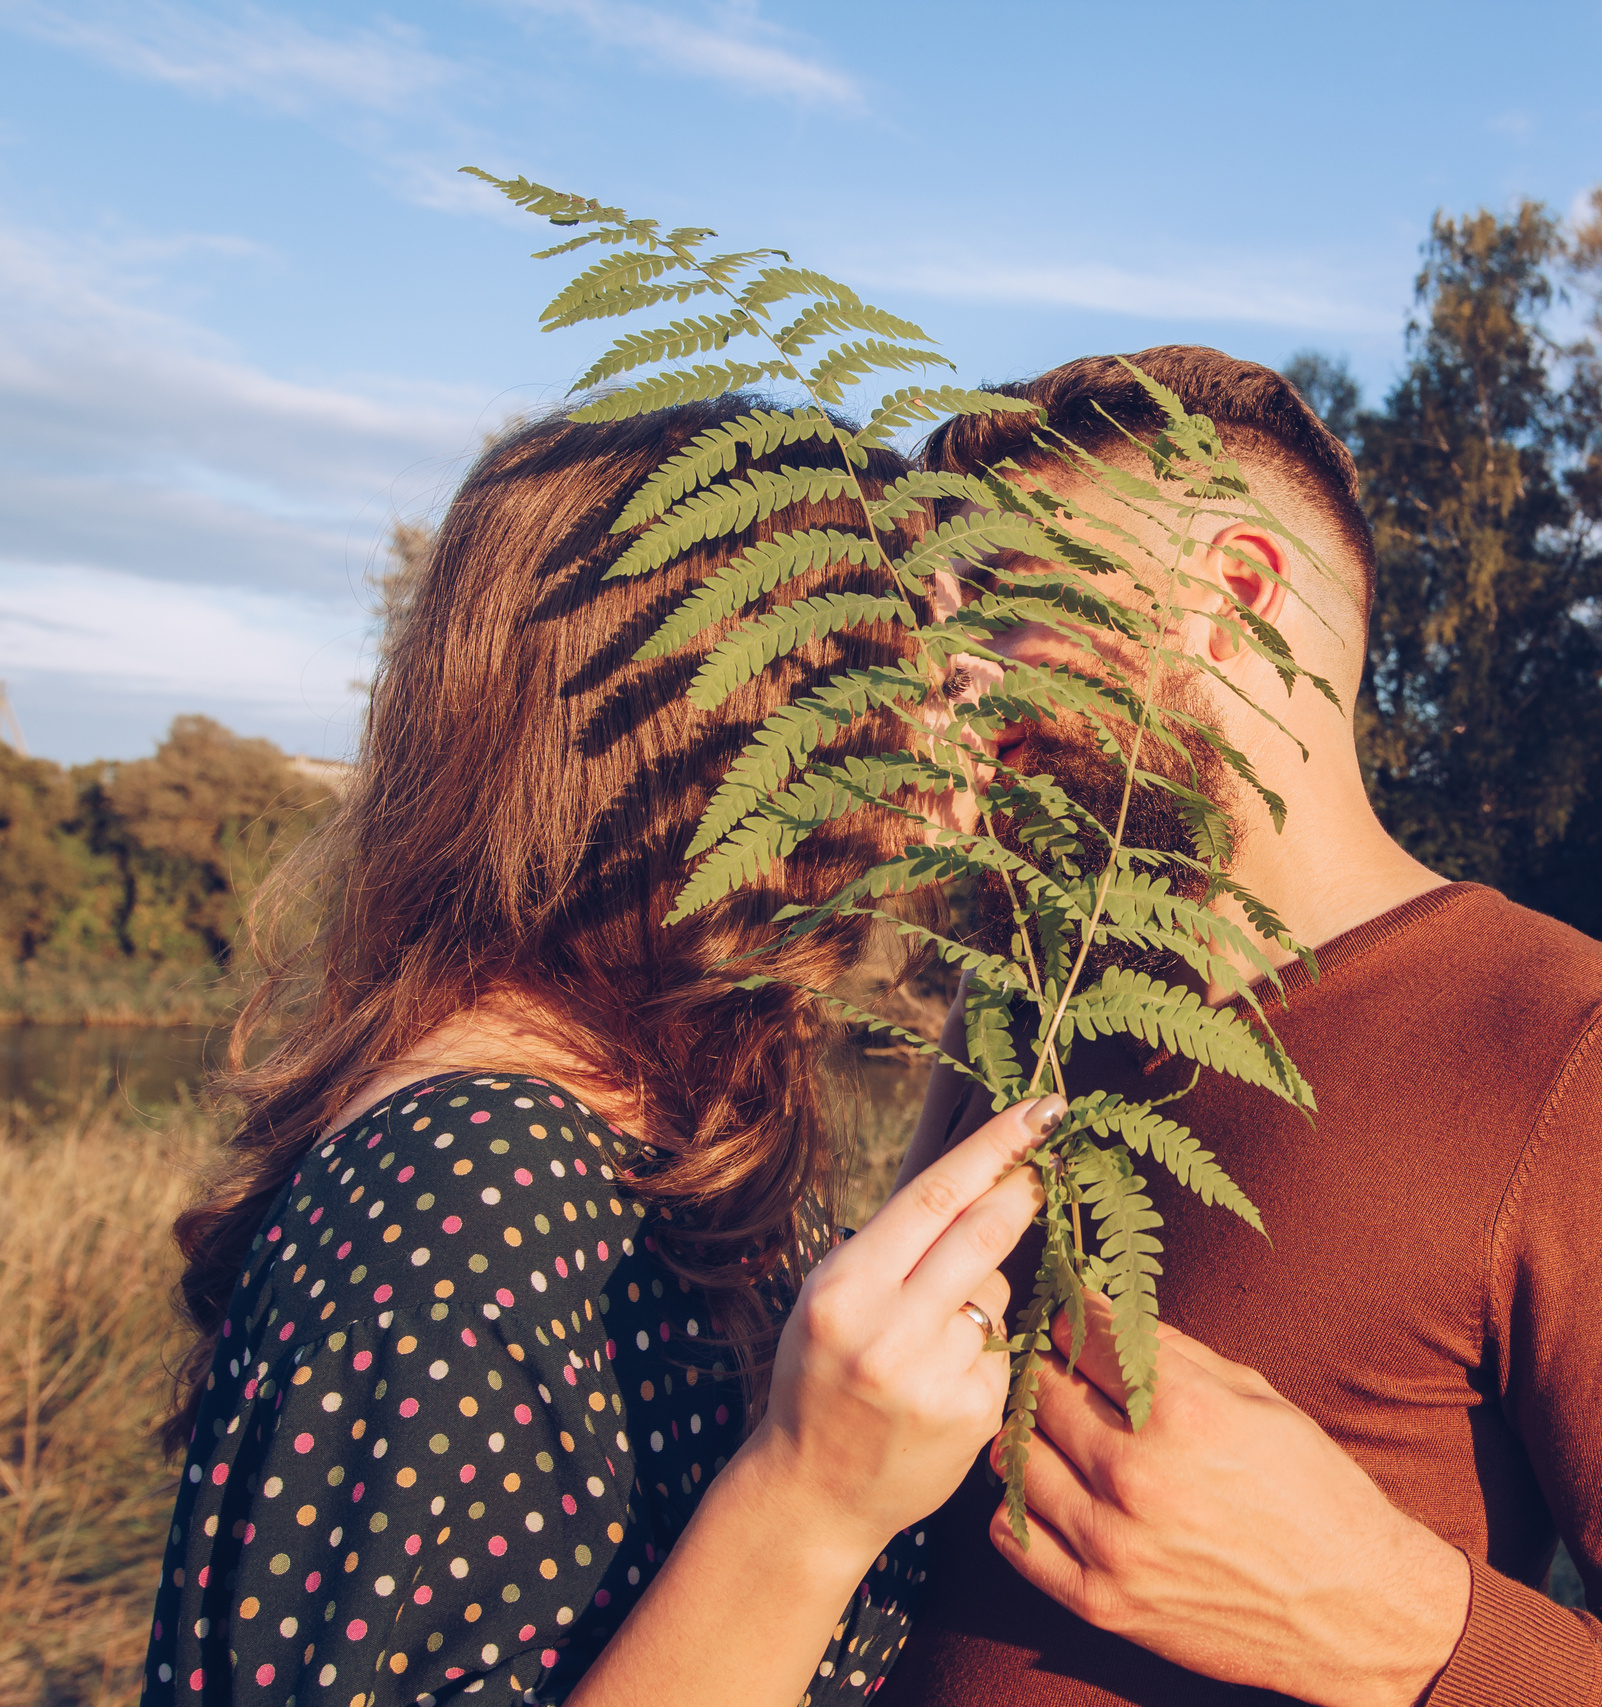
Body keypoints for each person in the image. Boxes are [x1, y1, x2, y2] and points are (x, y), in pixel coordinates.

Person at [878, 348, 1602, 1707]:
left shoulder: (1592, 1057)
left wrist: (1399, 1623)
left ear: (1232, 599)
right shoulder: (1024, 1004)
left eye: (1008, 603)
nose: (957, 686)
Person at [142, 400, 1058, 1707]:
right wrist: (810, 1507)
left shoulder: (639, 1131)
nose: (973, 695)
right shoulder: (459, 1199)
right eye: (903, 644)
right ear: (721, 716)